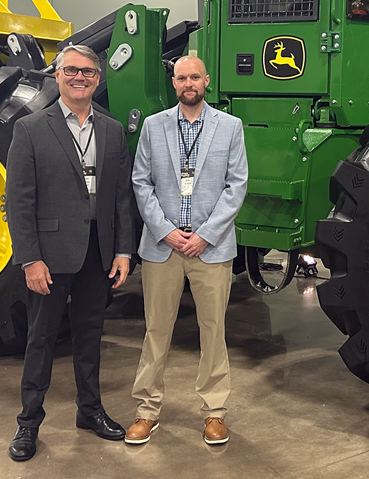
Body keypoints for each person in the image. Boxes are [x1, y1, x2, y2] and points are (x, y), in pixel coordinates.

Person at [4, 44, 136, 461]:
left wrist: (122, 251)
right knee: (40, 340)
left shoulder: (112, 130)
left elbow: (122, 199)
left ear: (98, 79)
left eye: (89, 72)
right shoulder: (30, 129)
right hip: (49, 255)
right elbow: (19, 200)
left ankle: (90, 411)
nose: (80, 78)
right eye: (72, 71)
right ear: (57, 75)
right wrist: (30, 258)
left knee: (90, 338)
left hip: (98, 253)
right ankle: (28, 423)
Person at [125, 56, 248, 445]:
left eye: (195, 76)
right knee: (156, 331)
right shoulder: (153, 125)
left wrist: (205, 235)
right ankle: (147, 412)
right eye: (181, 77)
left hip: (210, 249)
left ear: (206, 81)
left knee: (214, 332)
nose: (188, 83)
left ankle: (214, 413)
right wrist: (165, 231)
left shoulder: (229, 127)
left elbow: (236, 185)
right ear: (173, 83)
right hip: (163, 248)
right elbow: (141, 183)